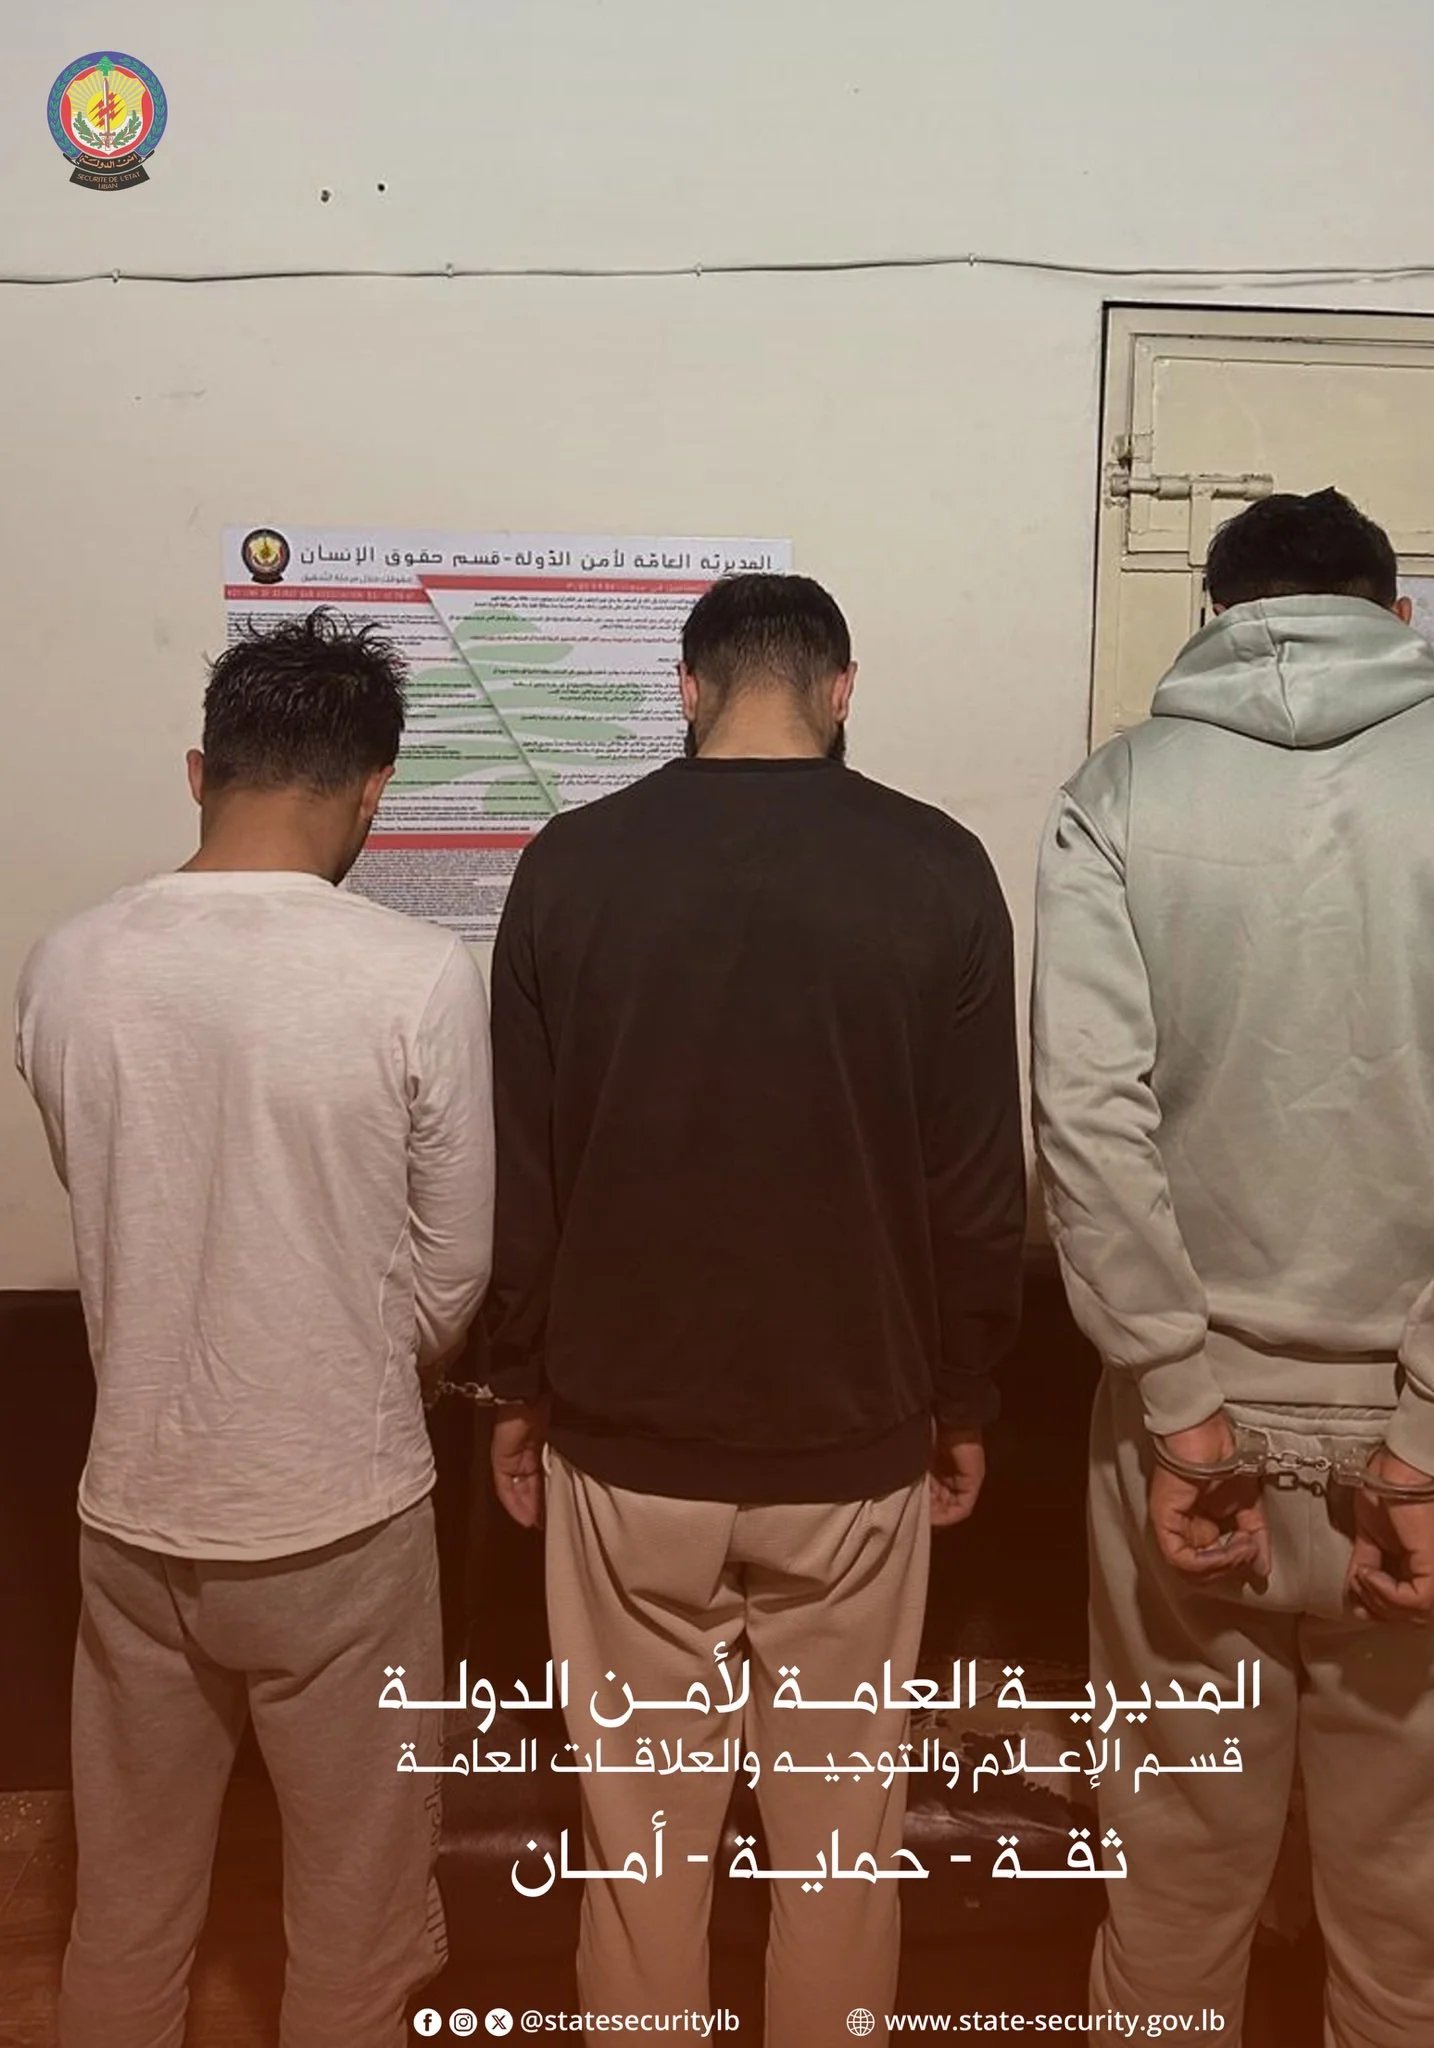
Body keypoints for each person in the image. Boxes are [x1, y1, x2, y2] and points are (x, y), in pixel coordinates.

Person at [1031, 488, 1434, 2047]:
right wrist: (1422, 1449)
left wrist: (1181, 1412)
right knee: (1414, 1920)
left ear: (1215, 620)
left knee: (1167, 1902)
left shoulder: (1116, 794)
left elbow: (1087, 1120)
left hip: (1184, 1441)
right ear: (1398, 619)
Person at [476, 572, 1026, 2042]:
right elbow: (979, 1186)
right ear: (841, 692)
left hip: (623, 1441)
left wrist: (516, 1385)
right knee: (838, 1854)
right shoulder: (939, 867)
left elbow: (522, 1174)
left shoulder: (570, 865)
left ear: (687, 688)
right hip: (856, 1440)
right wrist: (963, 1396)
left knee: (639, 1857)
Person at [15, 611, 494, 2048]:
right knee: (356, 1917)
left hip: (137, 1505)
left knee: (126, 1910)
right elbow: (453, 1273)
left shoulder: (66, 962)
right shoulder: (415, 973)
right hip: (343, 1514)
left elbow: (121, 1210)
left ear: (198, 772)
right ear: (373, 791)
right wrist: (362, 1364)